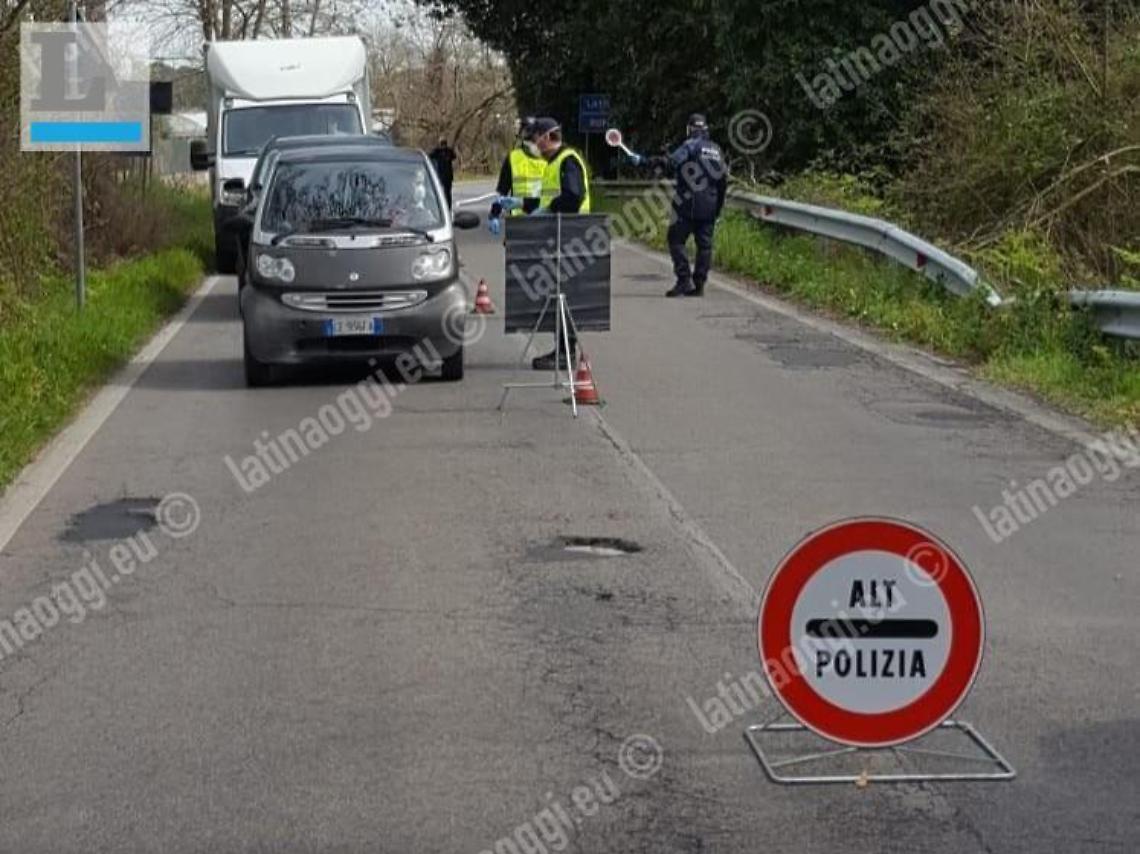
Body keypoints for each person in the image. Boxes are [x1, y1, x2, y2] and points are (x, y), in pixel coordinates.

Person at [631, 113, 726, 297]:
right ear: (705, 129)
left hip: (687, 204)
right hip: (710, 205)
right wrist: (717, 209)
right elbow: (723, 182)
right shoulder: (717, 150)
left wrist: (644, 161)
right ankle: (699, 284)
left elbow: (671, 163)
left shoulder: (690, 145)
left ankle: (684, 280)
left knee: (675, 239)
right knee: (705, 246)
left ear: (689, 129)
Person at [528, 116, 591, 371]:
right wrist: (524, 205)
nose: (534, 143)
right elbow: (549, 198)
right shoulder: (554, 163)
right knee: (557, 294)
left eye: (535, 138)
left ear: (547, 136)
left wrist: (547, 210)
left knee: (564, 295)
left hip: (571, 237)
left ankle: (566, 353)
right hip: (559, 236)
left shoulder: (567, 161)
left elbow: (572, 197)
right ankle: (562, 349)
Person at [487, 117, 547, 234]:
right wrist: (494, 215)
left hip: (545, 219)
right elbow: (502, 192)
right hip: (518, 221)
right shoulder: (513, 158)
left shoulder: (550, 159)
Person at [428, 138, 457, 209]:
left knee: (447, 192)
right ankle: (444, 206)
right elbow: (430, 156)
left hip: (447, 175)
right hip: (442, 175)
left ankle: (448, 206)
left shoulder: (448, 151)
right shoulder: (438, 151)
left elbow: (454, 156)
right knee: (442, 192)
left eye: (444, 144)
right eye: (442, 144)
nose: (443, 146)